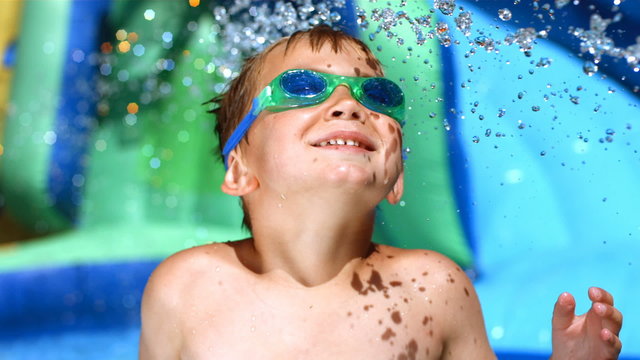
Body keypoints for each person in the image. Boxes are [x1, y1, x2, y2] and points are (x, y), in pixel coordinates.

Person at [139, 25, 623, 359]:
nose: (348, 104)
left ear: (397, 178)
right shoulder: (189, 287)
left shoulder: (433, 289)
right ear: (240, 168)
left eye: (379, 96)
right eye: (303, 85)